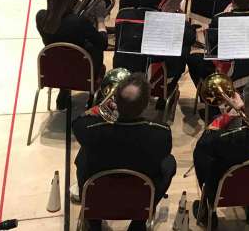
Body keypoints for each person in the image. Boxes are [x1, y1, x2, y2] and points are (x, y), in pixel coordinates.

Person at [73, 74, 176, 231]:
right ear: (146, 105)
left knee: (83, 155)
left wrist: (98, 109)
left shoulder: (91, 131)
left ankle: (93, 221)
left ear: (115, 102)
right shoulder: (161, 133)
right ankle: (139, 222)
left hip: (99, 193)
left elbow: (77, 123)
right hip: (139, 195)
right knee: (169, 163)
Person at [192, 80, 249, 226]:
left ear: (246, 103)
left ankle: (208, 211)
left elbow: (203, 142)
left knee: (200, 154)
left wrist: (229, 115)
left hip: (224, 191)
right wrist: (245, 108)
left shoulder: (225, 138)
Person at [187, 0, 249, 111]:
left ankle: (210, 102)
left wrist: (225, 14)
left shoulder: (220, 18)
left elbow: (212, 45)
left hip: (227, 68)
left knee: (193, 59)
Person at [113, 0, 196, 101]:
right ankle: (166, 90)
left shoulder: (123, 15)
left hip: (125, 71)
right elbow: (191, 38)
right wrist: (177, 13)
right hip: (154, 76)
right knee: (184, 47)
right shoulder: (169, 21)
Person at [36, 0, 107, 109]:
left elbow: (61, 28)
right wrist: (100, 20)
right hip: (82, 72)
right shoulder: (78, 22)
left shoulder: (40, 16)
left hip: (54, 69)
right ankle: (93, 98)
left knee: (64, 54)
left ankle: (64, 91)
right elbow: (103, 43)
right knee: (95, 48)